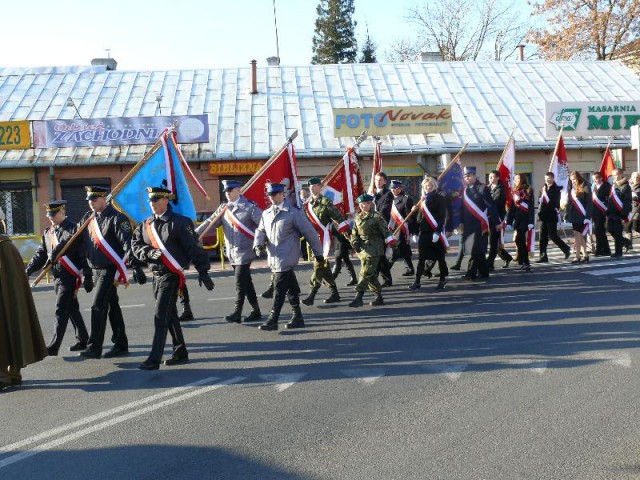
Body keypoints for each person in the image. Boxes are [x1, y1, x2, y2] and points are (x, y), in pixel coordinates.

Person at [131, 187, 214, 370]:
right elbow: (135, 245)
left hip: (172, 275)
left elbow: (193, 248)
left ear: (165, 201)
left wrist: (203, 271)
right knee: (170, 316)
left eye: (156, 200)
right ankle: (180, 351)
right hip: (156, 275)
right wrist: (148, 253)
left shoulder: (179, 222)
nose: (152, 203)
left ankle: (154, 359)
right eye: (150, 201)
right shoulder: (146, 224)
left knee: (160, 315)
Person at [253, 183, 323, 331]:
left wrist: (319, 254)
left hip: (287, 256)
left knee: (279, 289)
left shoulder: (293, 213)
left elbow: (309, 232)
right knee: (291, 287)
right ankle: (298, 316)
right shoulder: (266, 214)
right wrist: (258, 245)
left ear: (282, 194)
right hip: (273, 257)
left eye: (274, 195)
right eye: (270, 195)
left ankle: (273, 319)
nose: (271, 198)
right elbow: (260, 231)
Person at [24, 200, 90, 356]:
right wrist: (29, 269)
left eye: (54, 215)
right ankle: (83, 338)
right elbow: (41, 254)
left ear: (62, 212)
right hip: (57, 276)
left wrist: (87, 274)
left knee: (60, 309)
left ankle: (53, 347)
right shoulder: (48, 232)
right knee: (72, 308)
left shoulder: (73, 229)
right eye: (49, 215)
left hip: (70, 275)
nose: (51, 218)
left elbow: (81, 253)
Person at [78, 186, 135, 359]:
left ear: (104, 199)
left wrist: (135, 265)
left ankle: (94, 347)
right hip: (95, 270)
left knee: (98, 306)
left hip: (110, 270)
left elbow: (127, 244)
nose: (91, 203)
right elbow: (81, 245)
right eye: (89, 200)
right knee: (112, 307)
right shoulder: (88, 219)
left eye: (94, 199)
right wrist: (86, 273)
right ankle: (121, 344)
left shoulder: (117, 218)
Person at [196, 180, 262, 323]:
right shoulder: (224, 208)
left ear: (238, 190)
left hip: (245, 252)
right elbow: (210, 223)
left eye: (230, 190)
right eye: (226, 191)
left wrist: (260, 243)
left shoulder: (249, 208)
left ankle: (237, 313)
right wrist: (195, 234)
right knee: (246, 282)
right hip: (232, 253)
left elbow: (263, 225)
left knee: (239, 282)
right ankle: (256, 310)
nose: (227, 193)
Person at [0, 225, 48, 391]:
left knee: (5, 334)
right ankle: (13, 374)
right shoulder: (9, 247)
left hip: (5, 302)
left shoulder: (4, 248)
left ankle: (5, 376)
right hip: (9, 302)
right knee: (14, 330)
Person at [300, 177, 349, 306]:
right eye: (310, 186)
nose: (312, 188)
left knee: (319, 266)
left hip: (324, 238)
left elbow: (337, 216)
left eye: (315, 185)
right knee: (324, 267)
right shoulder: (308, 204)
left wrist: (345, 230)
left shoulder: (325, 202)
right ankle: (335, 293)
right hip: (314, 238)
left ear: (320, 187)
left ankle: (311, 295)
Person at [349, 193, 397, 307]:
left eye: (365, 204)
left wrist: (392, 244)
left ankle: (358, 297)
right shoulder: (359, 217)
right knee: (371, 275)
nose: (362, 206)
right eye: (360, 204)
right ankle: (379, 297)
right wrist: (355, 243)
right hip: (363, 250)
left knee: (365, 273)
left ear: (370, 204)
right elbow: (354, 233)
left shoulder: (376, 216)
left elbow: (385, 231)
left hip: (375, 248)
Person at [459, 166, 499, 280]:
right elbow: (462, 209)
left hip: (480, 224)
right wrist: (461, 222)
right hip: (468, 224)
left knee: (474, 249)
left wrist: (497, 222)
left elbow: (491, 206)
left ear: (475, 175)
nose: (467, 178)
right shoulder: (464, 190)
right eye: (465, 176)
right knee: (479, 249)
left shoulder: (482, 188)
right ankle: (484, 271)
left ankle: (471, 272)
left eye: (469, 175)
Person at [410, 176, 448, 290]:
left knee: (440, 257)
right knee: (421, 258)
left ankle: (442, 280)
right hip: (424, 233)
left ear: (434, 186)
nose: (428, 187)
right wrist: (415, 231)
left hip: (435, 232)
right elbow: (419, 218)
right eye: (426, 185)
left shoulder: (440, 199)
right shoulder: (422, 200)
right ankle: (417, 281)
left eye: (430, 185)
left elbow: (442, 217)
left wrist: (438, 231)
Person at [537, 172, 571, 262]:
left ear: (553, 178)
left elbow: (554, 203)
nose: (547, 180)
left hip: (551, 215)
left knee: (553, 235)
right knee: (542, 237)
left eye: (549, 178)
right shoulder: (543, 188)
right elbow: (539, 200)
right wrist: (540, 199)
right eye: (546, 178)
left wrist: (545, 195)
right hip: (543, 215)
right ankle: (543, 256)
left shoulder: (556, 189)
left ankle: (566, 249)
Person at [506, 174, 535, 272]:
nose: (516, 180)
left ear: (523, 179)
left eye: (518, 178)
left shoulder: (528, 190)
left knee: (520, 240)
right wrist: (509, 221)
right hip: (517, 219)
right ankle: (523, 262)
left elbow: (530, 207)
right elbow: (512, 208)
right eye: (515, 179)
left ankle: (526, 263)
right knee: (518, 241)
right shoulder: (514, 191)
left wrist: (531, 221)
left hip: (526, 219)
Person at [388, 179, 416, 277]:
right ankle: (410, 268)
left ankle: (387, 268)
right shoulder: (389, 199)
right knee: (403, 249)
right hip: (393, 227)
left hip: (403, 228)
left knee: (397, 248)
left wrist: (412, 231)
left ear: (401, 188)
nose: (393, 190)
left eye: (396, 188)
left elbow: (410, 216)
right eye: (392, 188)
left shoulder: (406, 199)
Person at [487, 170, 513, 270]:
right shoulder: (488, 188)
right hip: (488, 218)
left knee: (493, 241)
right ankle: (506, 257)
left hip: (497, 218)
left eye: (492, 177)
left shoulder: (501, 189)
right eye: (489, 177)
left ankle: (489, 263)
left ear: (498, 178)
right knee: (493, 241)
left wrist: (486, 198)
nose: (490, 179)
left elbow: (495, 202)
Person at [565, 171, 593, 263]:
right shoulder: (570, 187)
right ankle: (585, 254)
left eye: (574, 179)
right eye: (571, 179)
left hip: (583, 214)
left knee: (578, 235)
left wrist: (588, 216)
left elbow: (589, 202)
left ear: (578, 178)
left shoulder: (585, 186)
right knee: (578, 235)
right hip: (574, 214)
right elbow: (569, 202)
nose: (573, 181)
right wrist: (566, 214)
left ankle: (578, 255)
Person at [373, 172, 394, 287]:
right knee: (378, 255)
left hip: (381, 228)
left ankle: (381, 279)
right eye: (376, 180)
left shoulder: (388, 194)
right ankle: (385, 279)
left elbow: (384, 211)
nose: (378, 182)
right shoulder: (372, 194)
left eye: (380, 180)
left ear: (385, 181)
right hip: (372, 229)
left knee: (380, 255)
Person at [607, 168, 633, 258]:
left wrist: (624, 213)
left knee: (618, 233)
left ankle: (618, 252)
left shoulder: (626, 186)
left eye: (616, 175)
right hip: (611, 212)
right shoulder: (613, 185)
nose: (614, 177)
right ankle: (625, 241)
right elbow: (611, 198)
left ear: (621, 174)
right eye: (613, 175)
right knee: (610, 229)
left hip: (619, 213)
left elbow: (627, 201)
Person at [591, 172, 612, 257]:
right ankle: (606, 250)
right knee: (600, 231)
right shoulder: (593, 186)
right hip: (594, 212)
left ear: (601, 178)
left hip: (602, 211)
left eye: (596, 179)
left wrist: (606, 209)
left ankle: (599, 249)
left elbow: (609, 199)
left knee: (598, 230)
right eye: (593, 179)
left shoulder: (607, 187)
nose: (595, 181)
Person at [624, 171, 640, 250]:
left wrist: (637, 198)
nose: (636, 179)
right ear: (631, 177)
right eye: (634, 177)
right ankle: (628, 244)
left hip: (637, 210)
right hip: (628, 209)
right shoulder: (627, 186)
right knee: (627, 227)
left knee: (636, 227)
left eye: (637, 177)